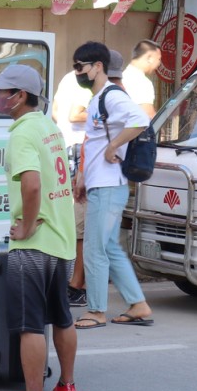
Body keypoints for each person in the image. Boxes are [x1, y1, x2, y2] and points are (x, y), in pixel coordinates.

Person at [0, 64, 79, 391]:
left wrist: (24, 225)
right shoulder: (48, 126)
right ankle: (67, 386)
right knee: (63, 317)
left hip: (35, 243)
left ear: (18, 97)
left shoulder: (22, 133)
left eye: (0, 91)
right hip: (61, 240)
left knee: (30, 325)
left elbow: (33, 185)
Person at [72, 41, 154, 330]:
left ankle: (96, 310)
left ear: (97, 67)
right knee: (109, 247)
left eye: (80, 66)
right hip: (101, 184)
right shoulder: (97, 100)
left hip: (109, 185)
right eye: (75, 67)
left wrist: (115, 146)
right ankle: (138, 304)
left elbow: (140, 120)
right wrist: (83, 177)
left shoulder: (111, 97)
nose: (77, 72)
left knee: (95, 248)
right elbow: (94, 143)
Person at [50, 68, 91, 308]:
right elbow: (76, 114)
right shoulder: (89, 85)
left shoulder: (66, 78)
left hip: (66, 148)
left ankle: (77, 283)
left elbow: (57, 112)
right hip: (79, 150)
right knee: (81, 226)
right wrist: (101, 116)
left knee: (76, 222)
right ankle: (77, 285)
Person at [122, 40, 161, 117]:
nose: (159, 63)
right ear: (150, 58)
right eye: (159, 59)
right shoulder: (142, 82)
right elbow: (148, 115)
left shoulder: (122, 76)